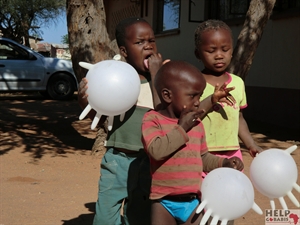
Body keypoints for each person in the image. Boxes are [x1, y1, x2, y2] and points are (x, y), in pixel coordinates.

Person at [78, 17, 167, 225]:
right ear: (124, 51)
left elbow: (165, 113)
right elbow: (100, 120)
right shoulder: (113, 79)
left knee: (139, 216)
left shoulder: (164, 80)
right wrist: (84, 101)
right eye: (140, 42)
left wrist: (156, 75)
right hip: (117, 159)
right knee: (105, 218)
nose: (148, 46)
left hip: (149, 162)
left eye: (152, 41)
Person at [141, 60, 244, 225]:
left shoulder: (197, 124)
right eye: (192, 95)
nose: (197, 102)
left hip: (192, 203)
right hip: (163, 202)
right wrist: (182, 128)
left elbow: (202, 158)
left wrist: (224, 162)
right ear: (167, 95)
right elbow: (156, 150)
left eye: (200, 95)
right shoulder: (152, 119)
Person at [194, 19, 263, 225]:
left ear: (232, 51)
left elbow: (239, 117)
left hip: (232, 153)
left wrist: (250, 144)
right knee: (205, 204)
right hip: (202, 155)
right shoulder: (193, 82)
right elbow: (191, 115)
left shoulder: (238, 83)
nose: (219, 55)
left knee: (229, 200)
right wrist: (210, 100)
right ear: (198, 53)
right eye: (211, 50)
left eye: (225, 49)